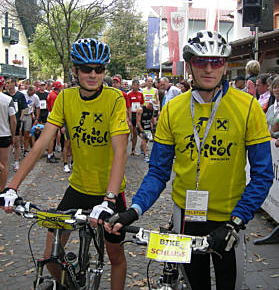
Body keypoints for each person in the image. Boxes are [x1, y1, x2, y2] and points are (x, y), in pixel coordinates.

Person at [108, 30, 273, 290]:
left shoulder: (248, 107)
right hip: (186, 216)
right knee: (196, 285)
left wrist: (236, 222)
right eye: (201, 61)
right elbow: (158, 172)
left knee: (230, 285)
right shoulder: (173, 109)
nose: (209, 68)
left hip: (229, 218)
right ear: (189, 65)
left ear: (224, 65)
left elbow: (263, 175)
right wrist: (134, 209)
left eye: (216, 61)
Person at [0, 38, 129, 290]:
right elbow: (40, 145)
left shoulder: (115, 98)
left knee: (115, 257)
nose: (93, 74)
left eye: (99, 69)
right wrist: (12, 187)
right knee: (50, 257)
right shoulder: (65, 97)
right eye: (86, 68)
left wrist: (110, 198)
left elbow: (120, 150)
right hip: (77, 189)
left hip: (109, 193)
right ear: (75, 70)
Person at [5, 78, 28, 172]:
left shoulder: (20, 95)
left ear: (14, 83)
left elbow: (24, 108)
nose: (7, 84)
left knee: (16, 141)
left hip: (16, 122)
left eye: (9, 82)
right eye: (6, 83)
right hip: (5, 122)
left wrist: (21, 118)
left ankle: (16, 161)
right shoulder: (4, 95)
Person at [0, 77, 16, 191]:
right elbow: (13, 120)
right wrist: (13, 135)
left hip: (5, 134)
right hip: (5, 134)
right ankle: (1, 190)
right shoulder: (7, 99)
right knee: (4, 165)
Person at [127, 79, 144, 155]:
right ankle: (131, 149)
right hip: (132, 115)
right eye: (133, 85)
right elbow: (129, 107)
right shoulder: (129, 94)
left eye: (136, 85)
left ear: (138, 85)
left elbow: (142, 104)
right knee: (132, 133)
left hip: (138, 115)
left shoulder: (140, 94)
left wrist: (140, 112)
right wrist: (130, 119)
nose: (134, 86)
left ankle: (134, 150)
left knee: (136, 133)